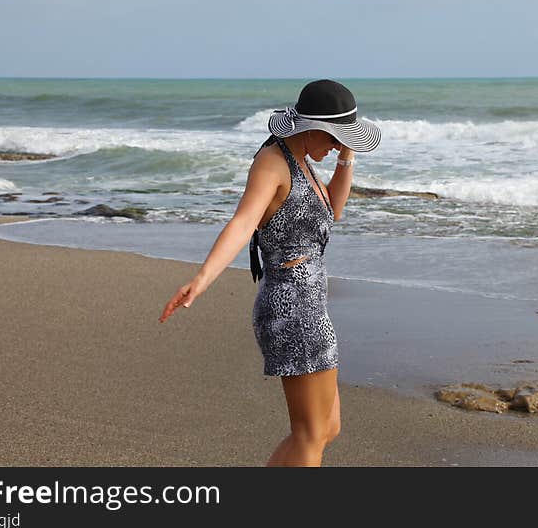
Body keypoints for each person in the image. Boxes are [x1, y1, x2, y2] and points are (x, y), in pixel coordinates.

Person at [158, 79, 381, 466]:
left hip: (310, 306)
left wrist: (348, 155)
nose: (335, 146)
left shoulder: (304, 162)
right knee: (310, 435)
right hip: (291, 309)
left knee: (327, 428)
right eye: (334, 139)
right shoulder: (273, 164)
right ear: (313, 129)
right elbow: (243, 222)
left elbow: (335, 210)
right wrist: (202, 279)